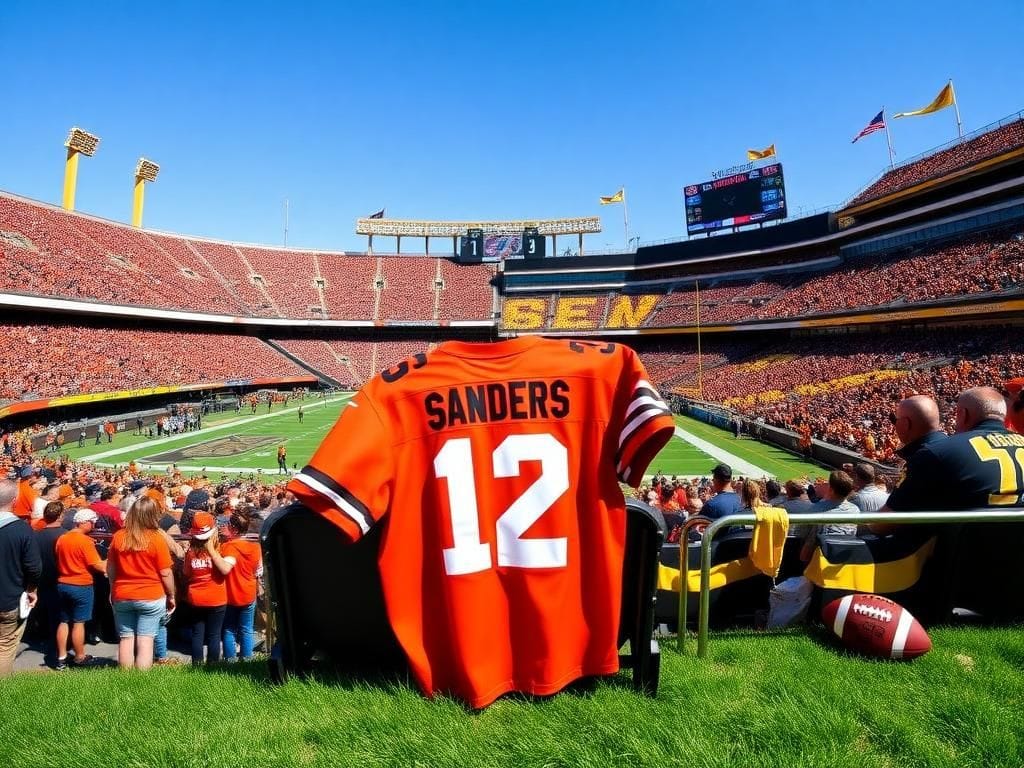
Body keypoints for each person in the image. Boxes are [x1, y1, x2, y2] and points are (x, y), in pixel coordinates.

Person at [107, 496, 177, 671]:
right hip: (150, 595)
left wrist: (112, 589)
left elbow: (111, 569)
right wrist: (171, 595)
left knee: (126, 638)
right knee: (146, 639)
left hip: (123, 593)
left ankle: (126, 675)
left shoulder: (119, 536)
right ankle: (141, 679)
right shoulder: (156, 538)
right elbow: (166, 572)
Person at [54, 508, 107, 669]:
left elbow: (57, 557)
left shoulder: (62, 539)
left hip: (63, 583)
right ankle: (79, 656)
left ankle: (61, 657)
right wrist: (111, 559)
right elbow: (97, 565)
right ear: (85, 522)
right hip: (81, 585)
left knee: (63, 621)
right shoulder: (85, 541)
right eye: (92, 522)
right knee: (78, 623)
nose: (93, 525)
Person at [0, 479, 41, 677]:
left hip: (10, 597)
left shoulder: (21, 529)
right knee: (5, 647)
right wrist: (32, 589)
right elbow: (34, 567)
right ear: (15, 500)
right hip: (9, 600)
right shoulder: (22, 530)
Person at [183, 512, 235, 665]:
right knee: (214, 634)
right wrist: (212, 551)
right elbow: (225, 569)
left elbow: (186, 572)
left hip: (196, 598)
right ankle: (213, 666)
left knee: (197, 634)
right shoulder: (219, 549)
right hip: (216, 598)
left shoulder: (191, 552)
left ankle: (197, 665)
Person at [220, 511, 263, 661]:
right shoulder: (256, 547)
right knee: (247, 629)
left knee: (229, 629)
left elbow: (224, 567)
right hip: (249, 592)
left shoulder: (227, 547)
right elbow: (258, 570)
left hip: (231, 593)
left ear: (233, 528)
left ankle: (229, 660)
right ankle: (247, 659)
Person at [33, 500, 66, 666]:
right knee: (58, 616)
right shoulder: (65, 535)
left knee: (42, 611)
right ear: (60, 516)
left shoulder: (35, 535)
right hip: (59, 578)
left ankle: (42, 635)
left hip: (40, 577)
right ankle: (54, 645)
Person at [800, 471, 860, 562]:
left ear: (831, 489)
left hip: (819, 560)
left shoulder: (815, 510)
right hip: (844, 557)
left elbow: (804, 538)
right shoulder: (855, 510)